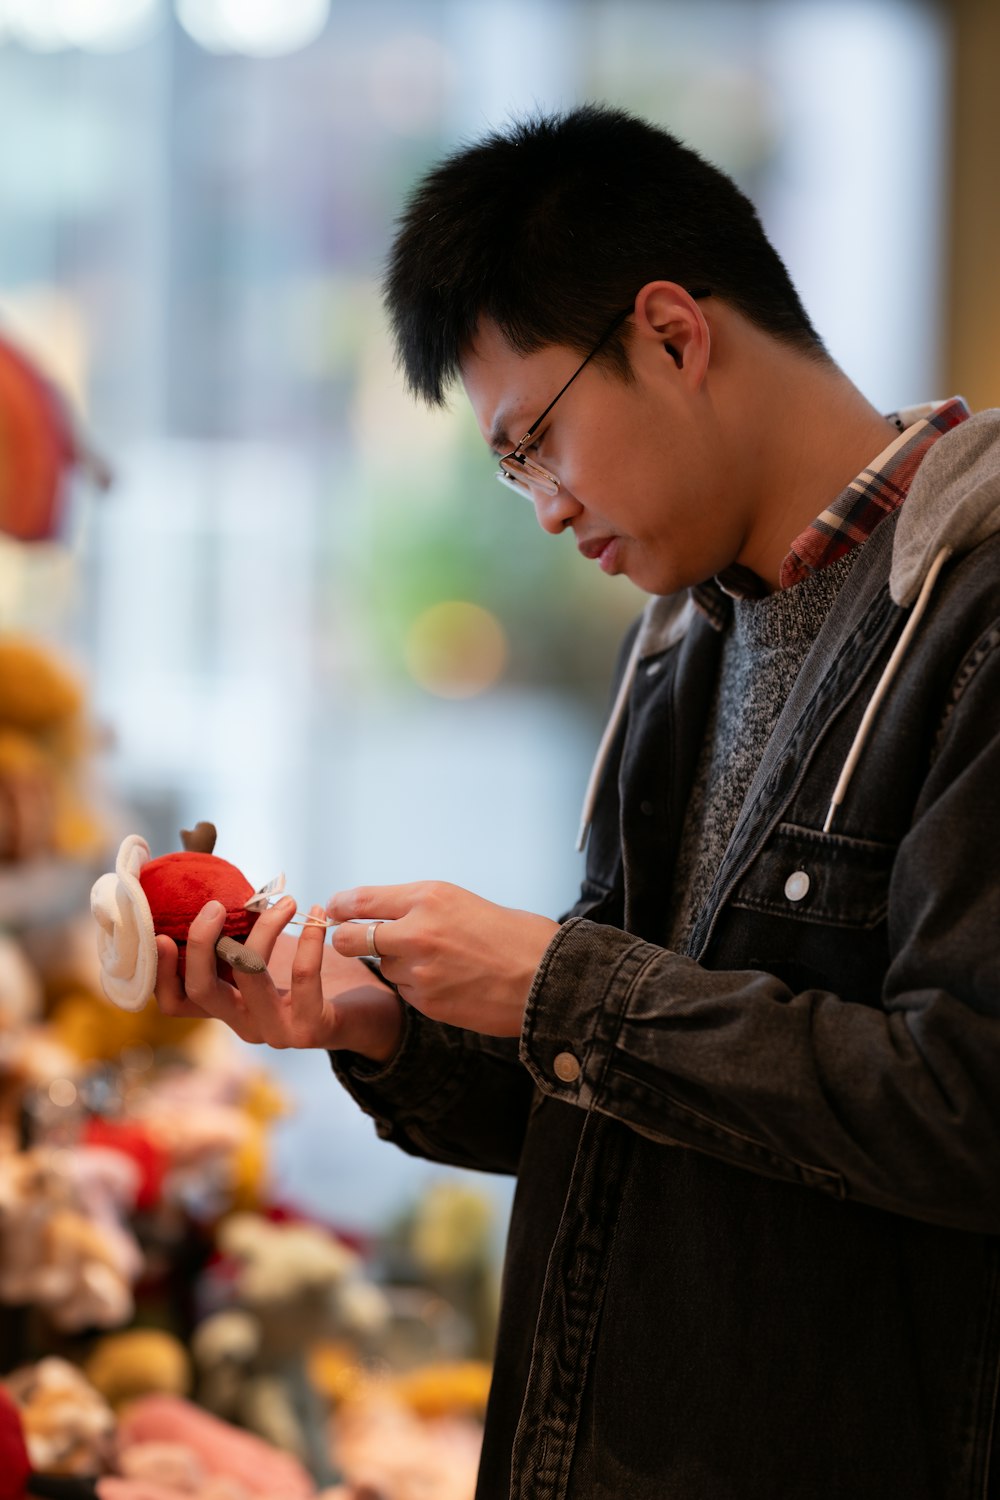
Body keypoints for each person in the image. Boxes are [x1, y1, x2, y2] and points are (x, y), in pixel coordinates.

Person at [154, 105, 1000, 1499]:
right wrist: (381, 1023)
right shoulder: (676, 645)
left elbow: (965, 1109)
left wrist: (565, 985)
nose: (542, 505)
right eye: (511, 468)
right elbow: (651, 1115)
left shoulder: (969, 619)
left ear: (671, 333)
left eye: (534, 439)